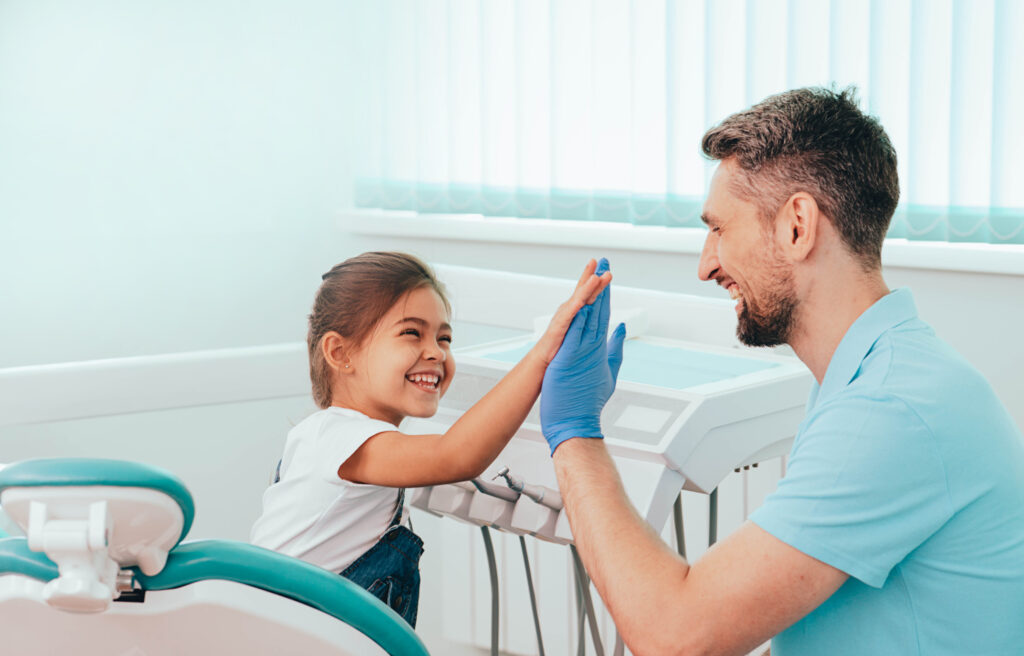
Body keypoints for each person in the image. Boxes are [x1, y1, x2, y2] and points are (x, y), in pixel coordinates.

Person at [538, 88, 1024, 655]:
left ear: (797, 226)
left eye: (719, 229)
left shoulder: (891, 410)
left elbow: (673, 636)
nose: (705, 264)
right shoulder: (869, 374)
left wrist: (574, 432)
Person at [250, 251, 610, 628]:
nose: (436, 352)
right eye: (411, 332)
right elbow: (454, 454)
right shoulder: (340, 438)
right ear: (340, 353)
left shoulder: (334, 437)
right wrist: (545, 352)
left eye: (445, 337)